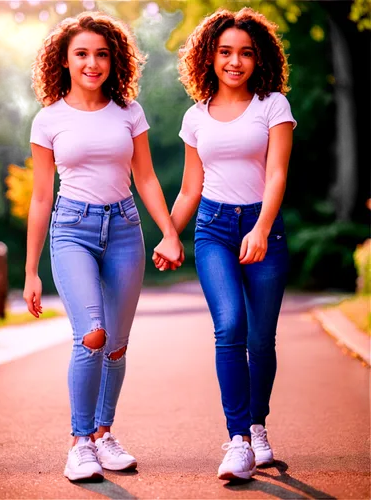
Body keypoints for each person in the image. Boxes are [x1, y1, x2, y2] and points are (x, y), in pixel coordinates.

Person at [24, 11, 184, 482]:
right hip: (71, 228)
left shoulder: (129, 112)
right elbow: (40, 196)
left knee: (115, 344)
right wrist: (32, 270)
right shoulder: (48, 119)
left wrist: (169, 231)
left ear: (115, 61)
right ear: (64, 61)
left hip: (124, 229)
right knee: (91, 333)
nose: (92, 63)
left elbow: (147, 177)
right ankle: (79, 443)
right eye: (82, 54)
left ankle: (104, 434)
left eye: (101, 54)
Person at [153, 7, 297, 481]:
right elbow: (191, 188)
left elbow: (276, 173)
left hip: (264, 227)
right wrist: (169, 234)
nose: (235, 61)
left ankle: (258, 426)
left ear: (259, 59)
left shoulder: (272, 105)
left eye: (246, 53)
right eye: (225, 52)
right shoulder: (196, 117)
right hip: (213, 228)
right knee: (230, 325)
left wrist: (260, 228)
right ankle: (237, 439)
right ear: (209, 57)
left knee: (261, 337)